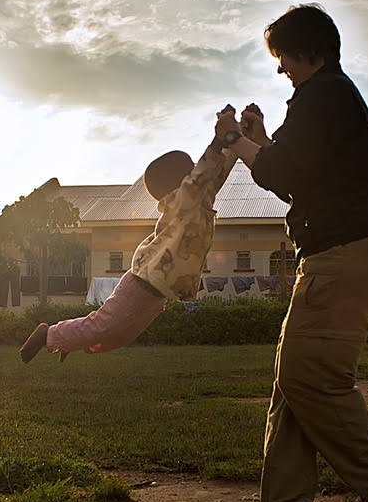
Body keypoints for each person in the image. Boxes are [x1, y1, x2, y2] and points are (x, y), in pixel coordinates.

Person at [214, 4, 368, 502]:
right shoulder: (333, 98)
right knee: (293, 376)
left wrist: (236, 141)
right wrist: (260, 140)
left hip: (342, 251)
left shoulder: (321, 95)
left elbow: (279, 170)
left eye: (283, 57)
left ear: (308, 51)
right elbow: (292, 179)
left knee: (315, 377)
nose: (280, 69)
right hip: (350, 246)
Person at [19, 108, 239, 363]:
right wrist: (219, 139)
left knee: (119, 335)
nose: (198, 177)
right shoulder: (182, 201)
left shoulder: (197, 199)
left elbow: (217, 171)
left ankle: (71, 338)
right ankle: (50, 334)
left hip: (155, 293)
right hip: (142, 284)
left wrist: (239, 137)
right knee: (103, 325)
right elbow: (206, 170)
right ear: (181, 182)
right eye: (190, 173)